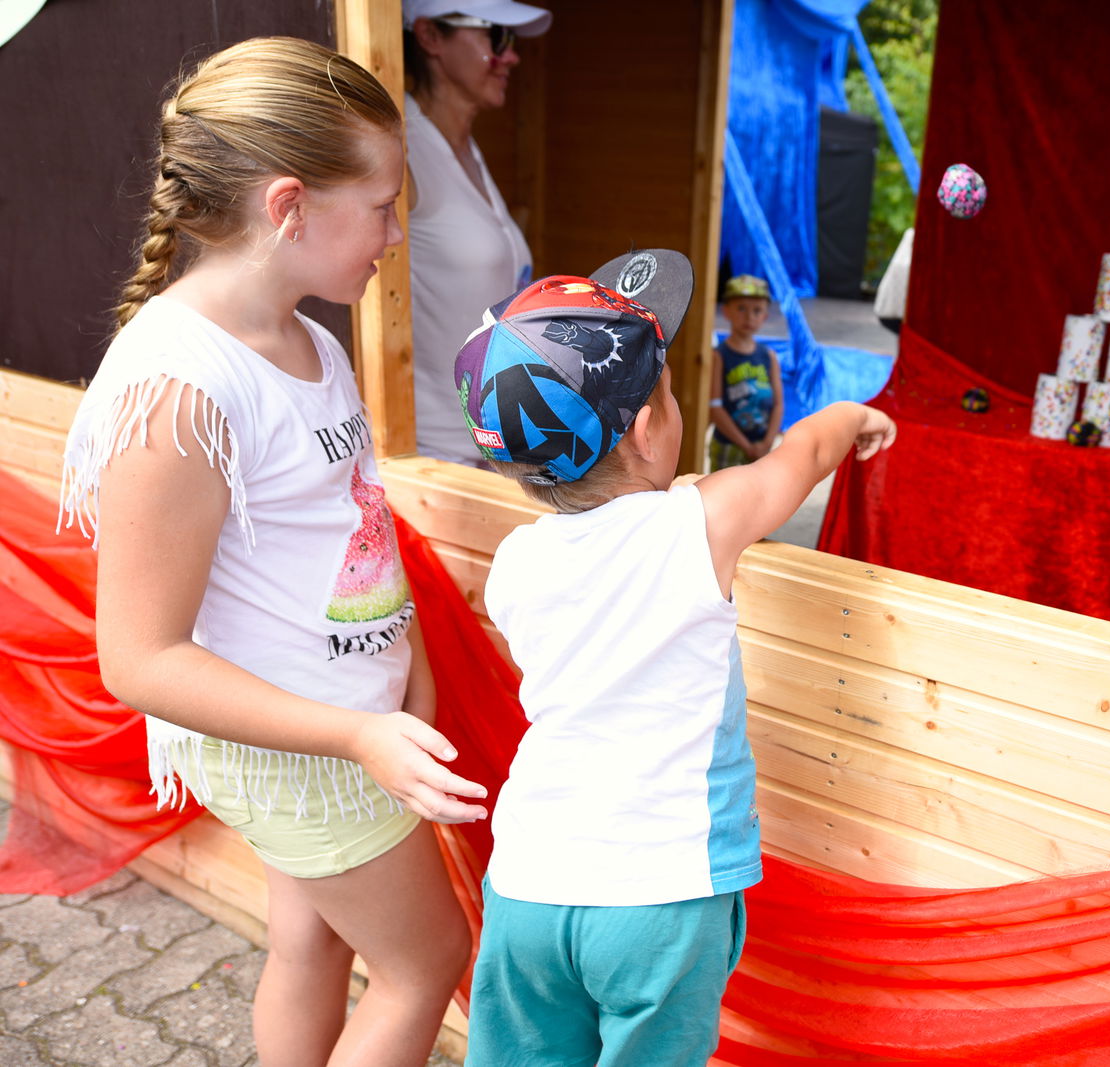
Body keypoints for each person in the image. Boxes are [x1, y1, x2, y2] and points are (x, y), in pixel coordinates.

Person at [59, 38, 488, 1067]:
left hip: (336, 725)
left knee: (309, 936)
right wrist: (356, 738)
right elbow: (141, 660)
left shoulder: (312, 339)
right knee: (427, 960)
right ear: (289, 205)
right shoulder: (181, 392)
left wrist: (410, 680)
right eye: (382, 205)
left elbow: (354, 525)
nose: (396, 233)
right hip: (303, 746)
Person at [452, 250, 895, 1066]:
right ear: (649, 428)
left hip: (528, 882)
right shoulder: (700, 521)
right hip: (662, 893)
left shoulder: (516, 561)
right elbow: (797, 458)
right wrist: (853, 418)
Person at [402, 0, 550, 465]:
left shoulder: (464, 143)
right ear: (429, 37)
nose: (512, 56)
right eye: (495, 37)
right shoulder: (403, 148)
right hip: (438, 455)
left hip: (494, 449)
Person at [708, 273, 784, 470]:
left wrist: (767, 443)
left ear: (765, 315)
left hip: (762, 447)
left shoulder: (769, 357)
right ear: (726, 311)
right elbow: (714, 406)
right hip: (729, 445)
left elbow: (778, 404)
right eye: (741, 308)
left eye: (757, 310)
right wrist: (746, 445)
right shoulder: (719, 356)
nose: (749, 317)